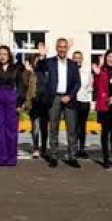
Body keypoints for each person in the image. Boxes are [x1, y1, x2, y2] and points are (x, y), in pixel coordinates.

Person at [36, 38, 81, 168]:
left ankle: (72, 156)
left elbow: (77, 83)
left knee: (72, 129)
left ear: (67, 49)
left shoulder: (73, 64)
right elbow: (39, 67)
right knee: (53, 128)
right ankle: (54, 156)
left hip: (69, 99)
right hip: (54, 98)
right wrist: (42, 55)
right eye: (60, 47)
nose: (62, 49)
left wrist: (70, 95)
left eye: (64, 47)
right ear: (56, 48)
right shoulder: (50, 62)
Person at [0, 45, 25, 166]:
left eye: (4, 54)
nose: (2, 56)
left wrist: (19, 103)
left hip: (11, 98)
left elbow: (21, 86)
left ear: (9, 55)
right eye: (0, 54)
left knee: (11, 128)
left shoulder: (16, 68)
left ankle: (10, 158)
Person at [24, 50, 49, 160]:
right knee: (35, 127)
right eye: (36, 61)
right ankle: (35, 148)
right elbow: (24, 86)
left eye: (40, 61)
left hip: (44, 103)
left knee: (44, 128)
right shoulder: (28, 73)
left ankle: (43, 148)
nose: (38, 63)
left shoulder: (46, 73)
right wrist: (28, 72)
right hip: (33, 103)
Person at [72, 50, 93, 159]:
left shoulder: (86, 72)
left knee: (82, 126)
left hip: (84, 101)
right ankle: (73, 148)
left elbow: (90, 87)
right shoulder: (69, 71)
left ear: (82, 59)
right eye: (75, 58)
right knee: (73, 127)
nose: (77, 59)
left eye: (79, 58)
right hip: (73, 101)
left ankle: (82, 149)